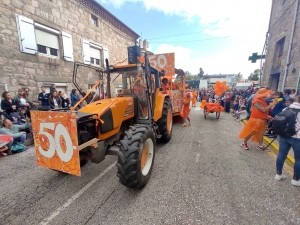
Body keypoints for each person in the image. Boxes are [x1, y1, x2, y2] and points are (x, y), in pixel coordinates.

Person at [275, 96, 300, 187]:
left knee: (281, 154)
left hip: (284, 135)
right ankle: (296, 179)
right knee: (298, 159)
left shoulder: (287, 108)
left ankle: (278, 174)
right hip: (297, 138)